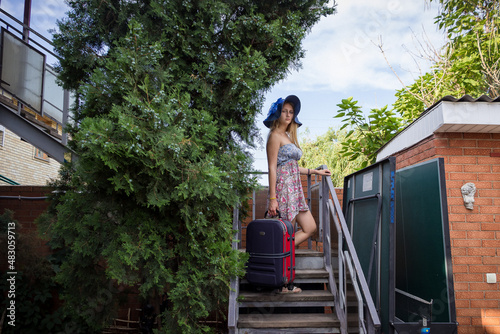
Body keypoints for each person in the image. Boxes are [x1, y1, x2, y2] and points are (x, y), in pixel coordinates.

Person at [264, 95, 331, 293]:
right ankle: (283, 284)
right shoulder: (275, 135)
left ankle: (280, 251)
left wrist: (315, 172)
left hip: (296, 190)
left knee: (310, 227)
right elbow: (272, 168)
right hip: (284, 190)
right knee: (287, 231)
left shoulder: (288, 136)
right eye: (284, 111)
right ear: (278, 113)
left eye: (291, 112)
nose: (288, 115)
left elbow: (293, 167)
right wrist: (273, 199)